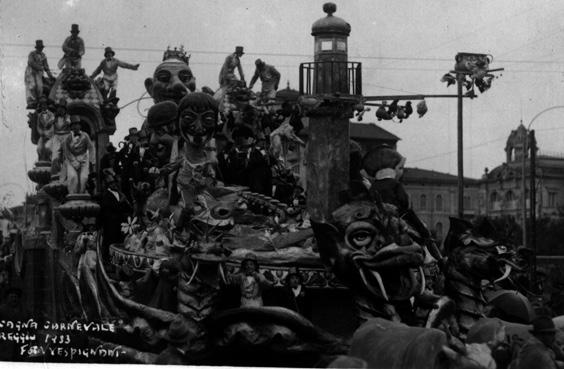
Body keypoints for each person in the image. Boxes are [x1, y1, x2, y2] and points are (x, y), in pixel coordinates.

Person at [223, 125, 272, 195]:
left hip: (255, 191)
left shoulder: (258, 153)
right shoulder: (232, 154)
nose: (238, 143)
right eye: (237, 140)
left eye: (241, 139)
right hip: (236, 190)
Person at [99, 173, 132, 261]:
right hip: (110, 224)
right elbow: (111, 208)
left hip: (120, 223)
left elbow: (127, 208)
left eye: (114, 183)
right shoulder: (106, 195)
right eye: (111, 183)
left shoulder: (119, 193)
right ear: (108, 185)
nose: (114, 185)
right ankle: (107, 261)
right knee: (110, 243)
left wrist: (125, 202)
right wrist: (121, 202)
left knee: (119, 243)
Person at [62, 116, 95, 193]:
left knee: (84, 178)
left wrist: (92, 161)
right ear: (71, 127)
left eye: (77, 124)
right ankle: (72, 195)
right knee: (73, 177)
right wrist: (74, 162)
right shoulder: (67, 137)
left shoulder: (85, 135)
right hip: (71, 159)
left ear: (80, 126)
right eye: (73, 125)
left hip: (83, 159)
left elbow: (91, 148)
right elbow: (66, 151)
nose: (75, 126)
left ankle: (81, 194)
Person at [25, 40, 55, 108]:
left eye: (41, 47)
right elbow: (31, 63)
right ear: (36, 48)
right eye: (39, 47)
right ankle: (32, 101)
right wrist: (40, 67)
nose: (40, 49)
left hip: (38, 73)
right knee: (32, 86)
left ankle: (39, 100)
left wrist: (50, 76)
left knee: (39, 86)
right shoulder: (32, 54)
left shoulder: (43, 55)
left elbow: (46, 67)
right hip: (31, 72)